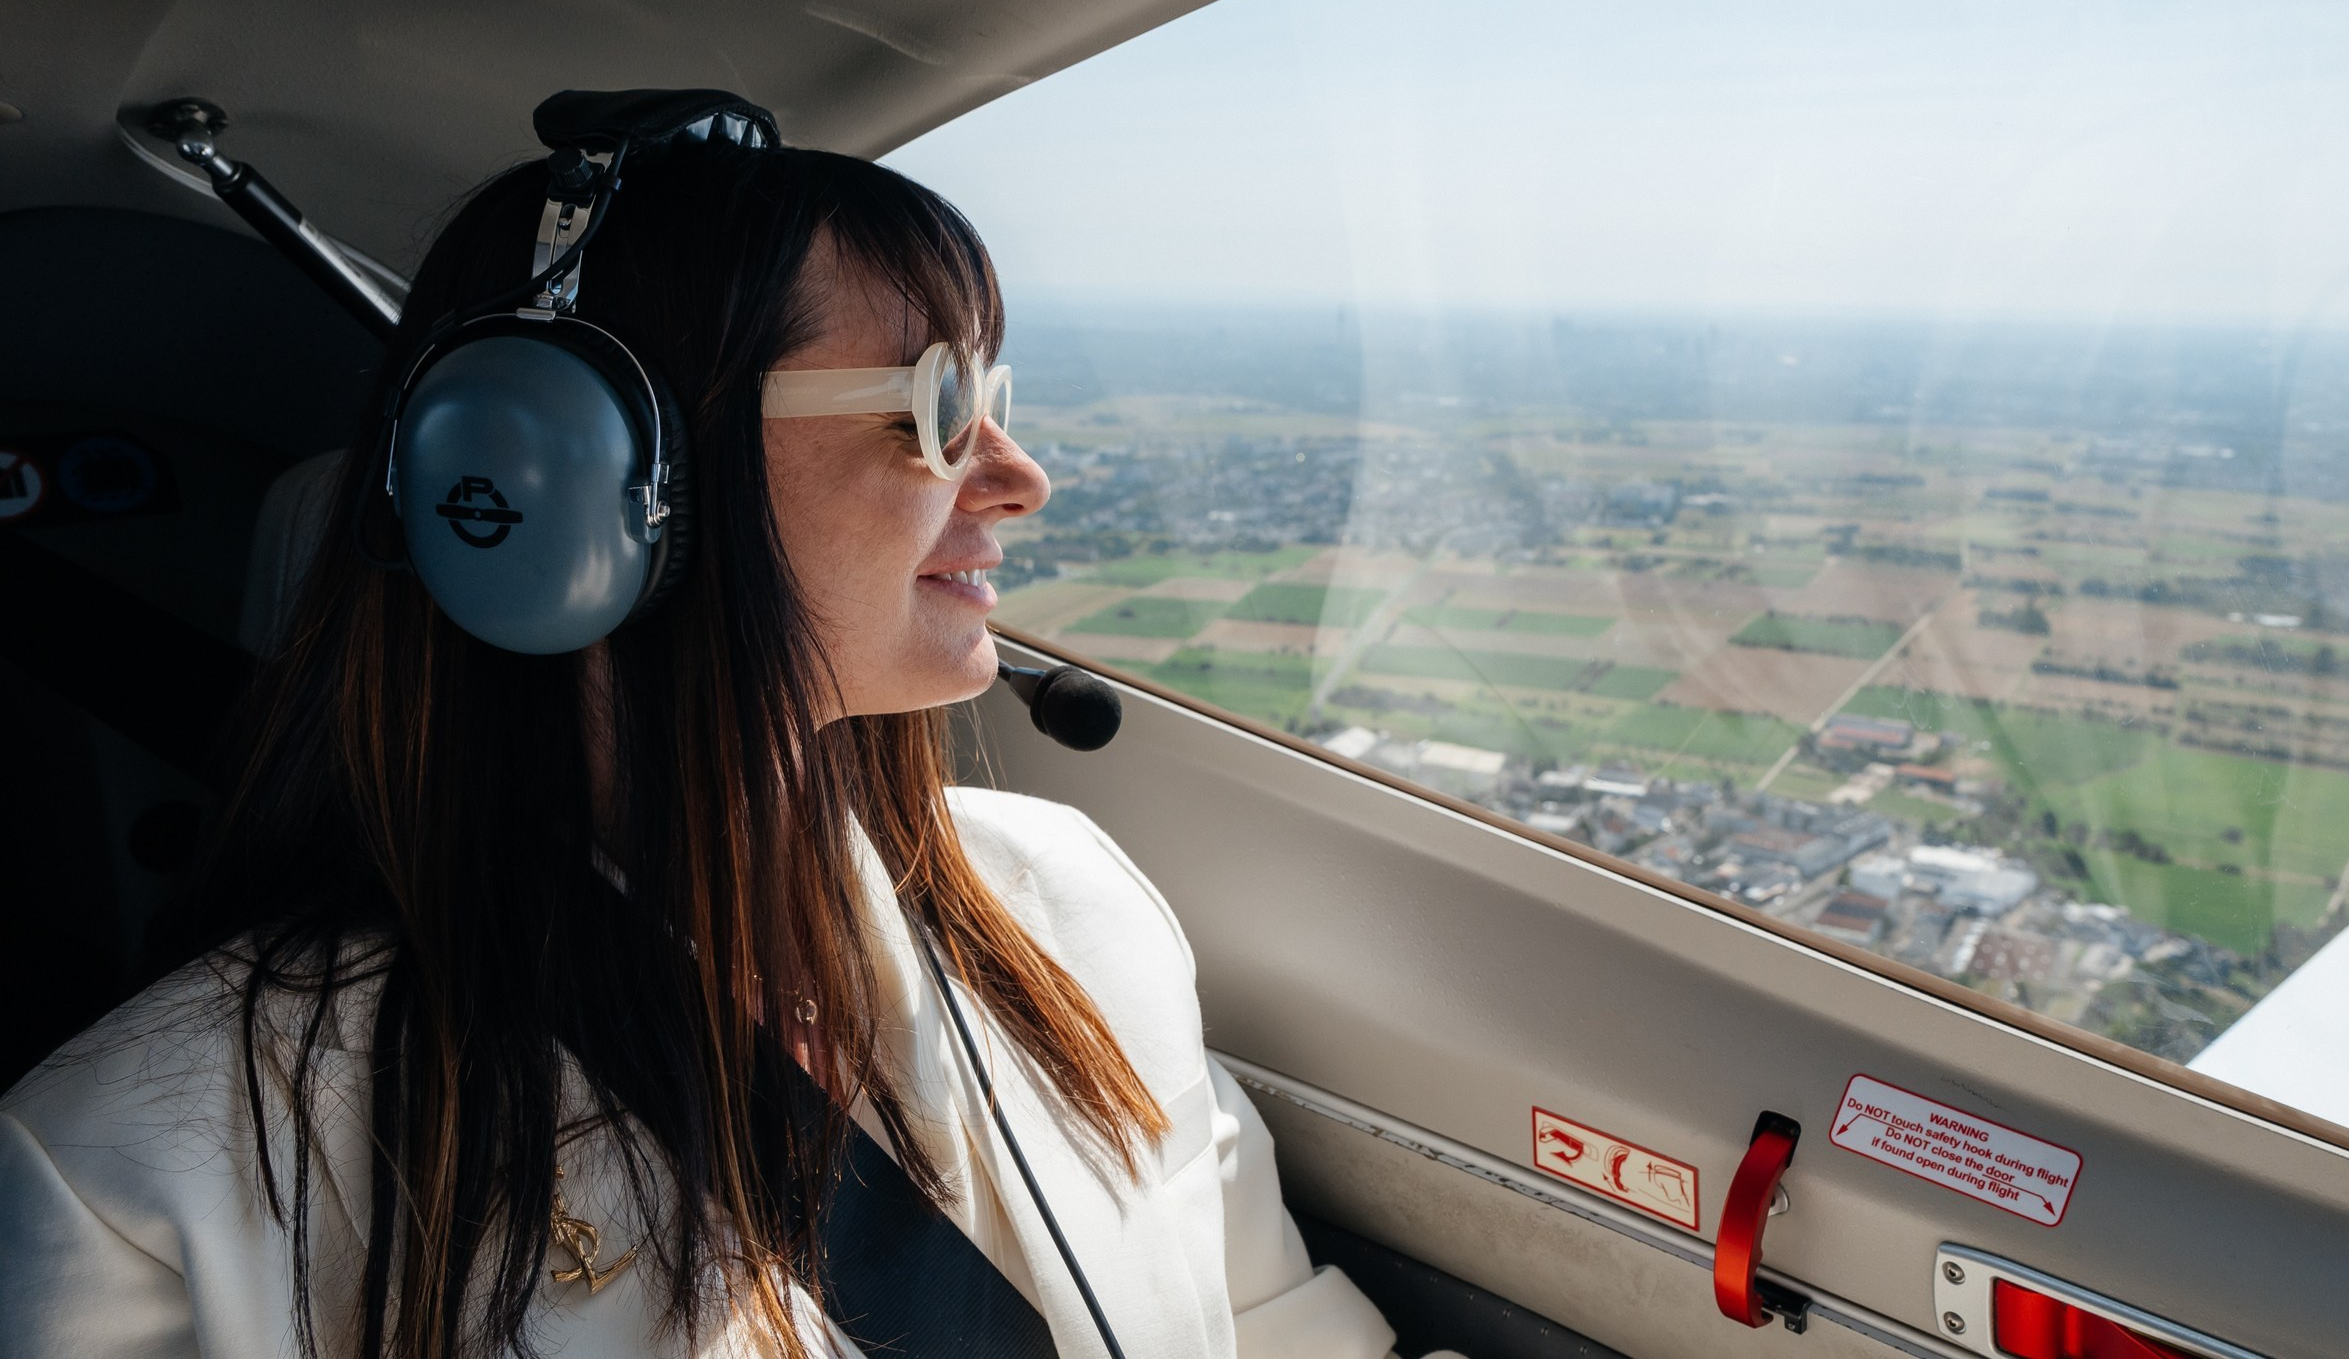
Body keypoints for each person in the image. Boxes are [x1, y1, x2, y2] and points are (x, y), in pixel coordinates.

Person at [0, 129, 1443, 1358]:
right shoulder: (158, 1154)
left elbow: (1274, 1325)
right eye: (935, 407)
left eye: (997, 400)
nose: (1018, 477)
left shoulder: (1068, 907)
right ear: (586, 486)